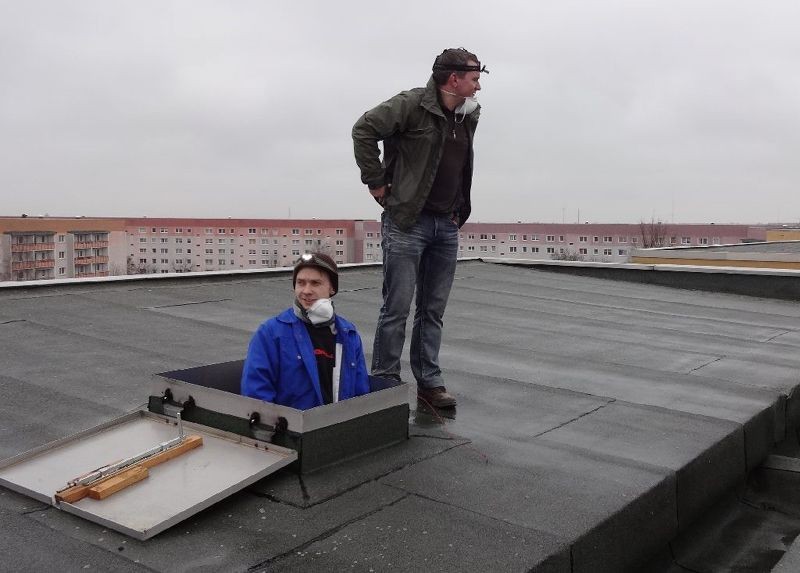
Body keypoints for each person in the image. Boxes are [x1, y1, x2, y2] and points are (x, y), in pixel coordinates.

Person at [352, 47, 487, 408]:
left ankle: (429, 383)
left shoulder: (466, 116)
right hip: (407, 221)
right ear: (454, 78)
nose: (478, 87)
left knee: (432, 311)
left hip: (446, 225)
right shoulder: (411, 105)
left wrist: (460, 208)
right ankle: (385, 383)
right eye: (475, 78)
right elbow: (363, 130)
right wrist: (377, 182)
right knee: (396, 306)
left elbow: (459, 165)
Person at [241, 252, 370, 410]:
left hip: (338, 429)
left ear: (332, 288)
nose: (306, 290)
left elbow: (361, 395)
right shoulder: (270, 334)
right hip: (291, 431)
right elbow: (256, 397)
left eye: (315, 283)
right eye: (301, 283)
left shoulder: (349, 335)